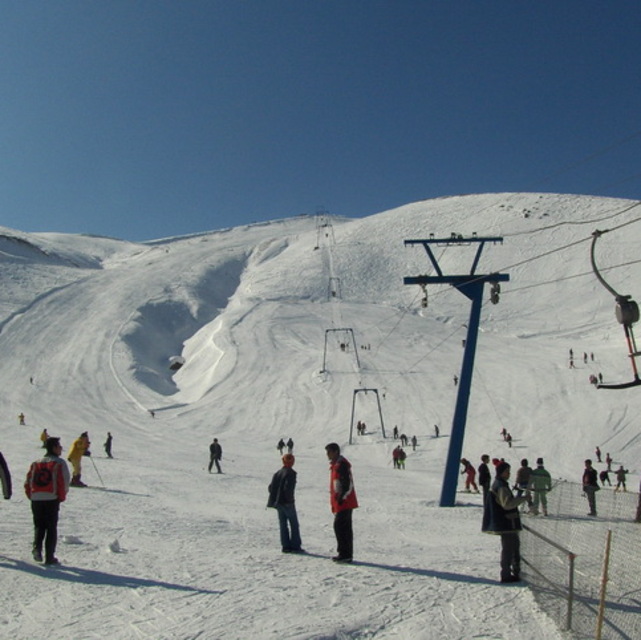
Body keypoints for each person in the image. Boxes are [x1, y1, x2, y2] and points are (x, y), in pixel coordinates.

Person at [24, 437, 70, 565]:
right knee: (51, 527)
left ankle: (37, 549)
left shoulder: (36, 463)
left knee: (39, 525)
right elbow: (64, 482)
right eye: (59, 446)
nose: (61, 449)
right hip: (51, 498)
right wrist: (61, 496)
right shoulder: (59, 462)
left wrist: (31, 495)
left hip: (36, 497)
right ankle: (50, 556)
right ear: (54, 448)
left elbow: (28, 481)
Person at [482, 461, 527, 583]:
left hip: (508, 523)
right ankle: (506, 575)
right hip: (507, 523)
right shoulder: (500, 486)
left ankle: (512, 571)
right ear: (501, 472)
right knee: (509, 549)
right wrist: (523, 499)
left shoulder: (500, 484)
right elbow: (507, 504)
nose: (509, 474)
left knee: (512, 547)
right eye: (507, 471)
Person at [325, 442, 358, 563]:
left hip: (345, 502)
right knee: (343, 527)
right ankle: (345, 554)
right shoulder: (336, 464)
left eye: (329, 452)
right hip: (342, 502)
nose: (327, 454)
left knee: (340, 527)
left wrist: (341, 497)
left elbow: (347, 484)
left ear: (335, 452)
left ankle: (345, 554)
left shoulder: (341, 465)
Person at [266, 453, 303, 553]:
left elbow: (270, 487)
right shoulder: (291, 473)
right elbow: (288, 488)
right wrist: (289, 500)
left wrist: (276, 497)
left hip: (278, 503)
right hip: (287, 502)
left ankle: (285, 546)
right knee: (294, 524)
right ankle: (295, 546)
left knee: (283, 524)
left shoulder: (278, 472)